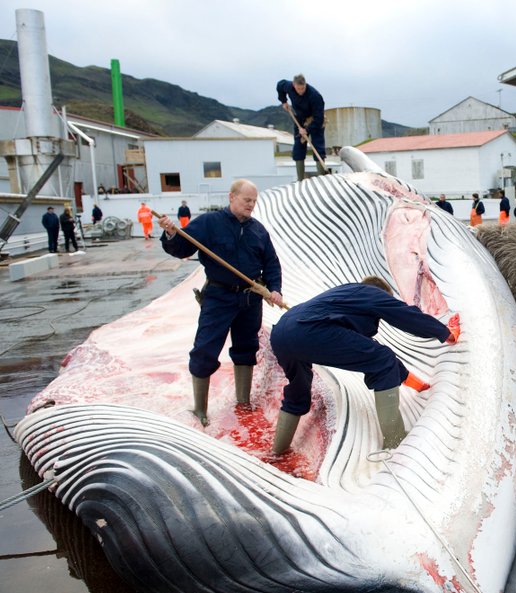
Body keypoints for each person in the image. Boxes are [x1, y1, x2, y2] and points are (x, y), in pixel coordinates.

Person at [269, 276, 460, 453]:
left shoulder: (345, 296)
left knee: (298, 390)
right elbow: (406, 315)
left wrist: (414, 383)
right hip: (310, 331)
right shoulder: (371, 293)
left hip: (282, 334)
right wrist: (444, 332)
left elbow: (365, 348)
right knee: (382, 360)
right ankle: (395, 440)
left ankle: (277, 452)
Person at [157, 179, 284, 427]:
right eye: (247, 200)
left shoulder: (258, 230)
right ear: (232, 197)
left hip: (250, 298)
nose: (251, 205)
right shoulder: (208, 223)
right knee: (205, 348)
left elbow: (271, 263)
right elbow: (182, 248)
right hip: (219, 296)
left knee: (246, 349)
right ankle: (200, 409)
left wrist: (275, 289)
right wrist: (171, 232)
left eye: (254, 201)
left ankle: (243, 401)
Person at [277, 74, 326, 181]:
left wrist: (307, 130)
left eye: (303, 88)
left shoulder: (315, 96)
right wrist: (283, 101)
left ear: (305, 85)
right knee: (298, 147)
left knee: (318, 146)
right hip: (300, 119)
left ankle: (322, 179)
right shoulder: (288, 86)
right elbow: (279, 85)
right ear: (294, 85)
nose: (301, 91)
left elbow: (319, 119)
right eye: (298, 88)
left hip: (315, 121)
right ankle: (300, 180)